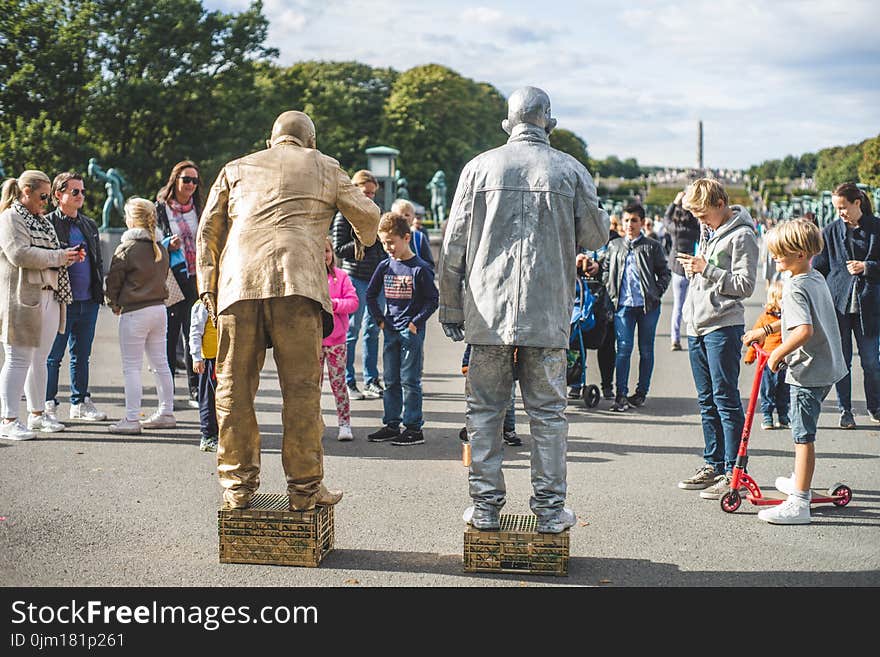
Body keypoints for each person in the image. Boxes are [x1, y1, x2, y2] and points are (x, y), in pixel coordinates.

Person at [439, 86, 609, 533]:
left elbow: (453, 246)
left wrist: (450, 306)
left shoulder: (478, 168)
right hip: (547, 314)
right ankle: (551, 511)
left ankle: (486, 508)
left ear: (507, 122)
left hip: (487, 314)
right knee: (549, 416)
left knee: (484, 414)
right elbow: (596, 236)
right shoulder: (570, 170)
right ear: (549, 122)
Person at [197, 110, 379, 511]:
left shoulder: (235, 167)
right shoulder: (324, 165)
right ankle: (305, 490)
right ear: (310, 142)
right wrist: (364, 240)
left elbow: (208, 230)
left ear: (270, 141)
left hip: (237, 285)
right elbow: (367, 214)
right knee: (300, 393)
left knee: (233, 390)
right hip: (298, 286)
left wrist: (207, 287)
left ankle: (238, 488)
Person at [756, 220, 847, 524]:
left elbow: (803, 330)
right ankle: (799, 480)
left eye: (778, 253)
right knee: (803, 432)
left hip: (807, 371)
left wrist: (779, 351)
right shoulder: (814, 276)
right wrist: (768, 329)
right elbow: (808, 322)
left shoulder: (794, 287)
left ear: (796, 253)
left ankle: (799, 502)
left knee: (802, 436)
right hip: (828, 365)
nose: (773, 258)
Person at [675, 178, 758, 500]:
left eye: (702, 214)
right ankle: (712, 463)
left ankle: (734, 469)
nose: (699, 220)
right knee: (707, 400)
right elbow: (709, 276)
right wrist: (694, 271)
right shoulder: (709, 231)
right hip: (698, 324)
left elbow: (745, 285)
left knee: (725, 399)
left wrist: (706, 269)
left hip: (722, 325)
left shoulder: (743, 235)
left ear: (720, 205)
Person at [0, 171, 81, 440]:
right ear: (25, 192)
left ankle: (37, 415)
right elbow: (19, 253)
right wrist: (58, 256)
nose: (46, 202)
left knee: (40, 360)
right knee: (17, 359)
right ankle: (9, 419)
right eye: (43, 196)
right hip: (22, 298)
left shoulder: (41, 221)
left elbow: (47, 255)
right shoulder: (10, 217)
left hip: (49, 295)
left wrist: (67, 257)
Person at [103, 198, 176, 435]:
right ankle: (166, 412)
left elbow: (114, 280)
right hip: (159, 310)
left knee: (131, 367)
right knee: (161, 364)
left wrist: (112, 303)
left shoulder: (127, 248)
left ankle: (132, 419)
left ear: (131, 219)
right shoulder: (160, 248)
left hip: (135, 312)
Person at [366, 212, 438, 446]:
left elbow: (432, 299)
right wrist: (380, 319)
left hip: (411, 332)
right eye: (384, 242)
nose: (388, 247)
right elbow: (370, 294)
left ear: (406, 238)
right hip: (390, 330)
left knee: (410, 380)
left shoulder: (420, 268)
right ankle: (391, 423)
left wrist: (416, 321)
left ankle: (414, 428)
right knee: (391, 380)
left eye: (391, 242)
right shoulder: (385, 265)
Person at [812, 182, 880, 429]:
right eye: (836, 208)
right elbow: (820, 267)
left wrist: (867, 267)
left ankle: (875, 406)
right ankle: (845, 410)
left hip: (869, 306)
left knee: (871, 362)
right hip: (838, 307)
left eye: (842, 207)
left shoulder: (876, 228)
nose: (840, 212)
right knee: (842, 363)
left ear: (857, 203)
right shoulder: (830, 231)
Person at [43, 172, 107, 422]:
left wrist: (99, 295)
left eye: (82, 191)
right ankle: (47, 404)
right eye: (75, 191)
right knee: (53, 356)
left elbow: (97, 261)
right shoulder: (48, 223)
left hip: (88, 300)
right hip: (60, 301)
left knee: (82, 355)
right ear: (59, 195)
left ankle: (80, 402)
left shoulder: (89, 224)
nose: (81, 196)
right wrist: (64, 256)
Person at [601, 203, 671, 411]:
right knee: (623, 349)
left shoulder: (652, 246)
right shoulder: (614, 246)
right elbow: (606, 269)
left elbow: (664, 273)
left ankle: (641, 392)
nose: (629, 224)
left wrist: (656, 292)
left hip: (647, 307)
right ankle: (620, 394)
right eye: (626, 220)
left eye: (634, 220)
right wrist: (610, 289)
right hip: (623, 306)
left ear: (642, 222)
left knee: (646, 350)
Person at [332, 170, 386, 401]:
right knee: (352, 330)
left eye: (373, 193)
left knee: (373, 330)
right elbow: (337, 249)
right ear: (355, 191)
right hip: (355, 277)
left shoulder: (375, 214)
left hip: (376, 278)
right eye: (366, 193)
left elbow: (383, 246)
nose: (369, 198)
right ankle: (349, 381)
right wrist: (362, 240)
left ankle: (372, 379)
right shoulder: (344, 215)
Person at [155, 160, 202, 409]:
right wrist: (166, 243)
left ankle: (195, 390)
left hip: (197, 277)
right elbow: (152, 240)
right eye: (186, 179)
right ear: (175, 180)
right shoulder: (161, 208)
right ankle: (168, 391)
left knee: (193, 332)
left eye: (195, 180)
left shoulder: (200, 208)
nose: (191, 185)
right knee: (170, 334)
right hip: (173, 277)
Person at [321, 236, 359, 442]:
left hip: (336, 341)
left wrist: (333, 304)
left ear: (332, 253)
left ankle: (344, 423)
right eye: (319, 252)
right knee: (311, 386)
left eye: (326, 251)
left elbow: (353, 302)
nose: (323, 256)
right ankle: (313, 423)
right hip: (313, 342)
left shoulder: (342, 276)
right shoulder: (307, 278)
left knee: (339, 384)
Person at [744, 280, 788, 430]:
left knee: (784, 389)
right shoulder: (765, 318)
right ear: (774, 300)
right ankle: (767, 415)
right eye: (782, 299)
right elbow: (755, 339)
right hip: (768, 361)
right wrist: (750, 356)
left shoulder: (789, 317)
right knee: (768, 389)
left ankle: (783, 415)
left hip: (785, 360)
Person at [460, 343, 520, 446]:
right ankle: (477, 429)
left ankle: (508, 429)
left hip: (508, 369)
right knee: (481, 401)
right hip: (484, 371)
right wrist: (467, 366)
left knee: (508, 402)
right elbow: (473, 347)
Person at [664, 189, 701, 351]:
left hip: (677, 267)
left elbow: (666, 219)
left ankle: (675, 338)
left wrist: (675, 201)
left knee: (678, 306)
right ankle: (695, 337)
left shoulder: (674, 228)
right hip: (693, 267)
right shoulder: (695, 230)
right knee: (694, 305)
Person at [189, 298, 218, 452]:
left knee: (223, 399)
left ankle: (220, 434)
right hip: (209, 360)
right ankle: (207, 436)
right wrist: (197, 357)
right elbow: (195, 332)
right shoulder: (201, 306)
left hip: (225, 358)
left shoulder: (226, 298)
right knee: (208, 399)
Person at [391, 198, 434, 269]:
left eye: (407, 215)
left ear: (413, 217)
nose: (404, 218)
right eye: (400, 215)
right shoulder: (388, 237)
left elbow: (429, 263)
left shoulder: (419, 237)